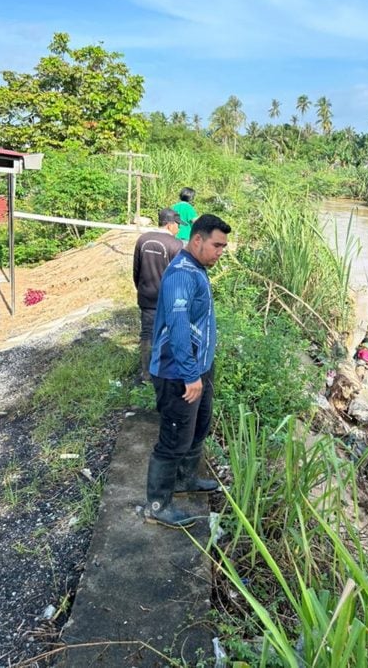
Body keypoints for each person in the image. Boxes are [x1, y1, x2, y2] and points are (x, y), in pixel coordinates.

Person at [144, 213, 231, 529]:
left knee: (198, 427)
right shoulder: (182, 273)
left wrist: (202, 371)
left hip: (198, 369)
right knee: (174, 439)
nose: (220, 252)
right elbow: (179, 327)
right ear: (197, 240)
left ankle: (185, 479)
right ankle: (157, 504)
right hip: (178, 372)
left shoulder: (197, 268)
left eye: (223, 246)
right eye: (217, 245)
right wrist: (190, 374)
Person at [132, 208, 183, 382]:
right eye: (178, 225)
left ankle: (146, 374)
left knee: (147, 334)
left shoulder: (143, 240)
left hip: (146, 296)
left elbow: (136, 270)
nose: (179, 229)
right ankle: (164, 373)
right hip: (168, 298)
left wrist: (141, 289)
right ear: (170, 224)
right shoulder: (176, 245)